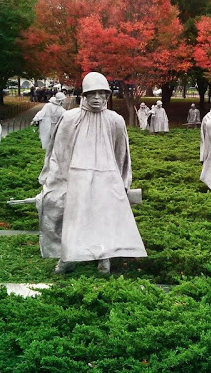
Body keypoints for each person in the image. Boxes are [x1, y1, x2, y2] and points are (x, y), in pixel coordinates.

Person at [36, 72, 147, 274]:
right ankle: (68, 257)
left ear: (107, 96)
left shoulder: (115, 120)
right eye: (92, 93)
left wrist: (123, 180)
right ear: (84, 95)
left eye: (101, 93)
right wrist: (58, 180)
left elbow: (122, 153)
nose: (97, 98)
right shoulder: (70, 118)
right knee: (75, 218)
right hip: (78, 175)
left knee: (104, 217)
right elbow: (60, 152)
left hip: (107, 176)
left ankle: (104, 258)